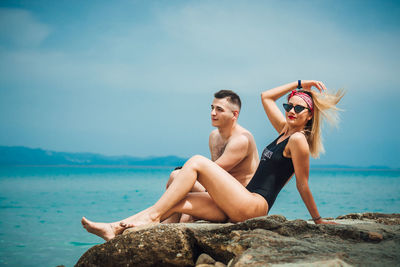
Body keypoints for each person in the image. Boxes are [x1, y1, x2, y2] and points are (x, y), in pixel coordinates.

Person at [82, 80, 343, 241]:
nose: (291, 111)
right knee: (177, 201)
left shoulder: (298, 141)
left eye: (299, 108)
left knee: (195, 162)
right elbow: (265, 96)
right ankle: (114, 228)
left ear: (309, 116)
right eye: (289, 106)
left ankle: (149, 218)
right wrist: (300, 84)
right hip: (238, 201)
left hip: (253, 206)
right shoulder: (284, 131)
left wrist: (318, 220)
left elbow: (303, 185)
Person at [164, 90, 259, 223]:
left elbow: (212, 171)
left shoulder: (241, 140)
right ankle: (166, 226)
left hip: (235, 201)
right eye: (212, 108)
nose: (213, 113)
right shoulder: (214, 136)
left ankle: (165, 224)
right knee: (176, 177)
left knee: (185, 208)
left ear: (234, 114)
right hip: (216, 192)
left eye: (219, 109)